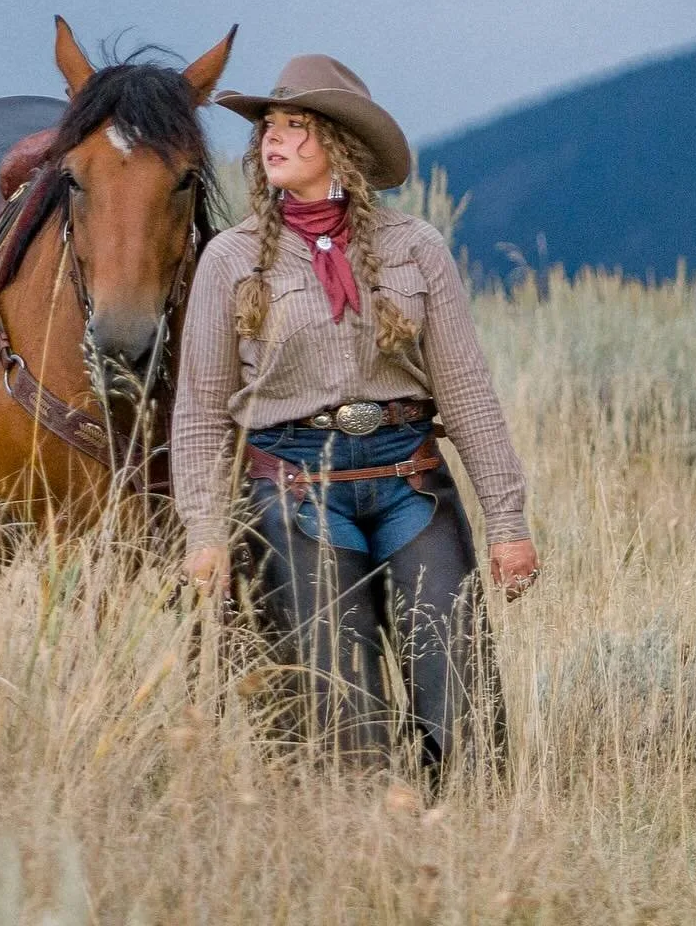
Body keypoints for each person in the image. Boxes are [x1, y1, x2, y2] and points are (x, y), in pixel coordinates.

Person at [170, 55, 538, 773]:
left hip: (410, 477)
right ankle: (367, 849)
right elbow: (200, 414)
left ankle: (458, 839)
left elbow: (466, 392)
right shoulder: (230, 257)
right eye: (269, 129)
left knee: (456, 687)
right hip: (292, 485)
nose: (273, 141)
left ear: (339, 146)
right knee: (343, 706)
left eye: (295, 127)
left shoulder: (415, 248)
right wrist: (206, 531)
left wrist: (508, 522)